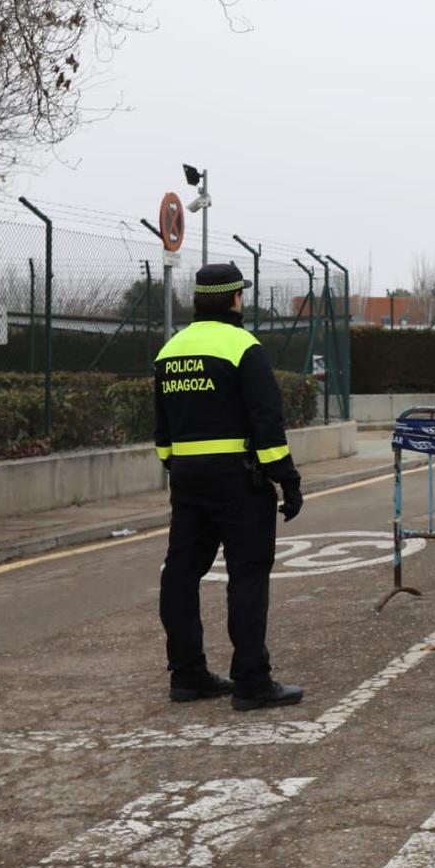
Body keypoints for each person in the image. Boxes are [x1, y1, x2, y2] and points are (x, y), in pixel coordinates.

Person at [153, 261, 306, 711]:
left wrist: (177, 468)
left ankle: (187, 674)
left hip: (187, 479)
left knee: (180, 573)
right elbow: (266, 422)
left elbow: (162, 431)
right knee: (247, 574)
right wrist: (288, 480)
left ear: (199, 300)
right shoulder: (244, 346)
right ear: (236, 298)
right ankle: (252, 681)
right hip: (239, 480)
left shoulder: (170, 352)